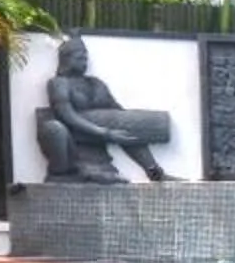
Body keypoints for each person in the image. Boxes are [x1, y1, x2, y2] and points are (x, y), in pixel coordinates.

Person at [39, 36, 173, 182]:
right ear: (66, 60)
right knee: (53, 128)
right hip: (75, 132)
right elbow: (66, 115)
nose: (84, 62)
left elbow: (116, 111)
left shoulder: (95, 83)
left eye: (86, 58)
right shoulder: (59, 83)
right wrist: (105, 133)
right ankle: (72, 171)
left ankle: (154, 171)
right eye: (79, 58)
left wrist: (134, 123)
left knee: (127, 129)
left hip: (98, 130)